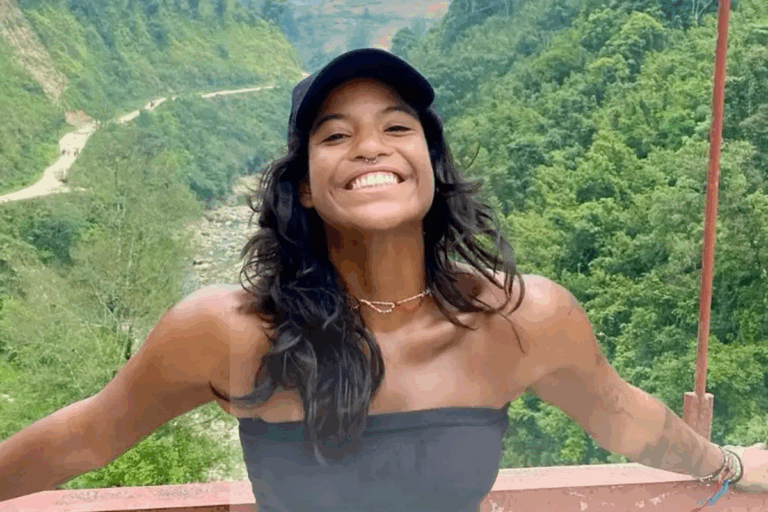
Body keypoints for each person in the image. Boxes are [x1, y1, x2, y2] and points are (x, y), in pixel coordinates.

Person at [0, 48, 766, 510]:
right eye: (335, 135)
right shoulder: (230, 332)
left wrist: (729, 465)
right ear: (305, 187)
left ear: (431, 165)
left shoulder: (520, 319)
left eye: (397, 127)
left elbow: (622, 416)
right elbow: (87, 436)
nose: (370, 146)